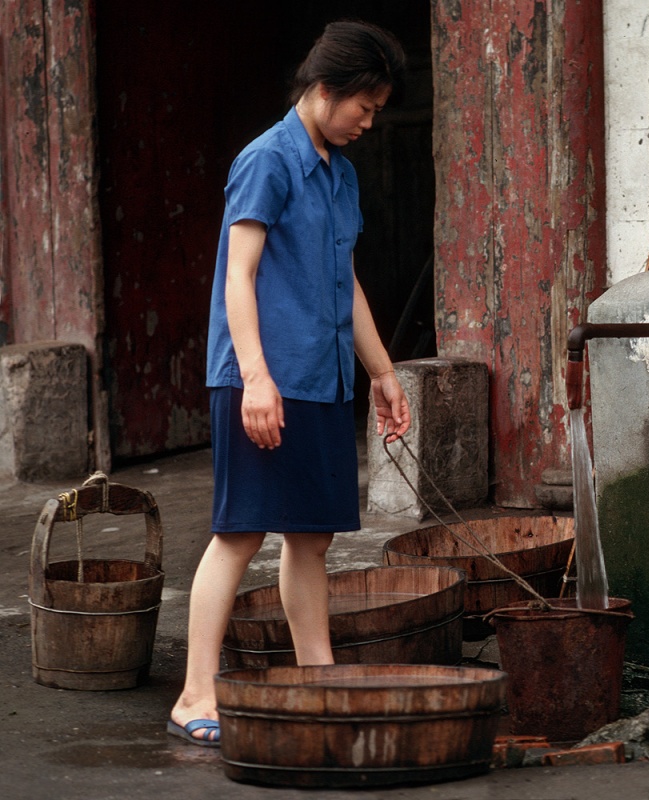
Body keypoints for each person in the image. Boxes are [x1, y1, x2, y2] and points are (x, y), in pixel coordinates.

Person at [167, 20, 412, 745]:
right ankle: (194, 694)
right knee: (239, 533)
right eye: (363, 107)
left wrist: (383, 372)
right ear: (326, 90)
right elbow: (237, 278)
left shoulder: (339, 172)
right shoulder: (266, 161)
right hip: (263, 378)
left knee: (311, 539)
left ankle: (320, 677)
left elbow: (346, 281)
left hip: (323, 379)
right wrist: (256, 381)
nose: (368, 122)